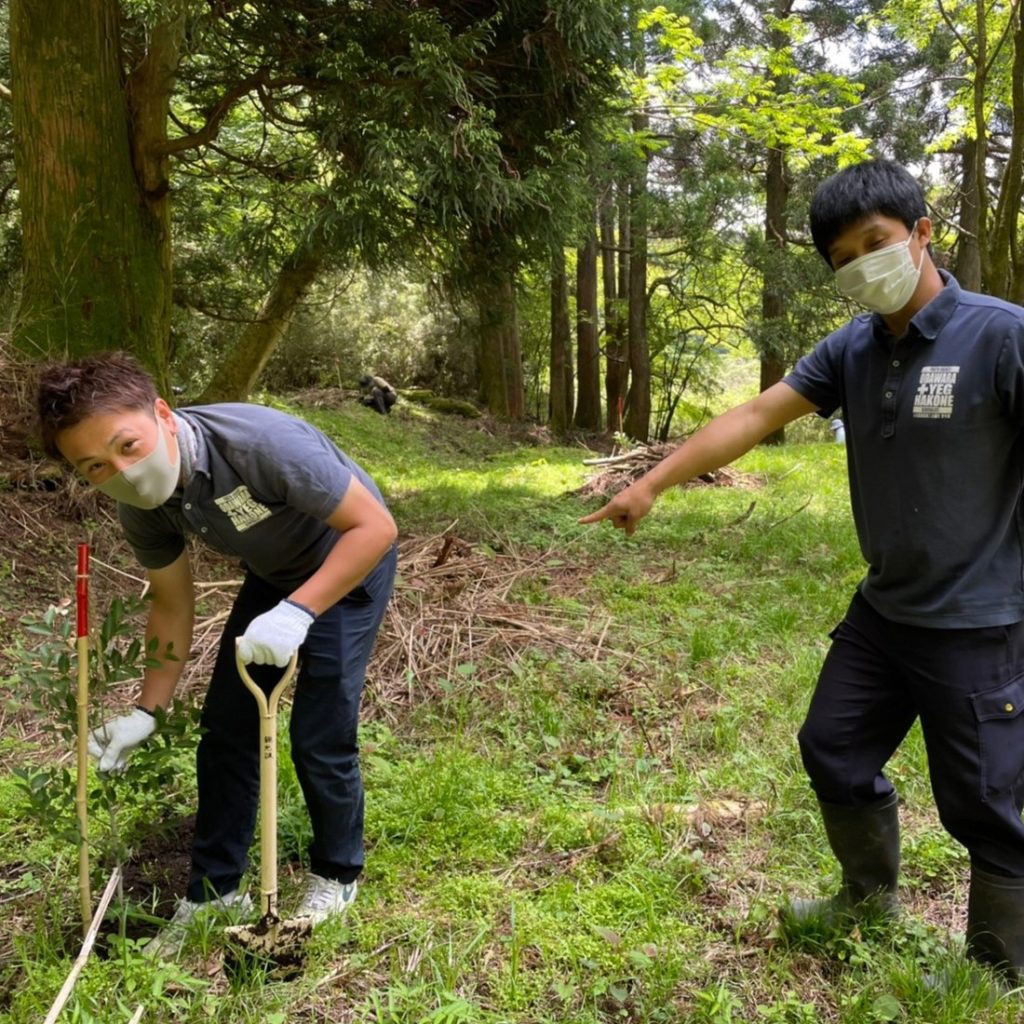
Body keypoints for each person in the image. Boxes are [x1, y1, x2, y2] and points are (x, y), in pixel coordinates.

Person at [581, 159, 1024, 984]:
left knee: (986, 804)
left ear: (923, 233)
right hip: (885, 612)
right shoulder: (853, 348)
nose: (863, 265)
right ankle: (866, 900)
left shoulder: (1001, 336)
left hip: (980, 620)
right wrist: (651, 483)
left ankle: (996, 968)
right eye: (843, 258)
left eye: (876, 242)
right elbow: (757, 413)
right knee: (833, 747)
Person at [37, 352, 398, 956]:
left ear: (162, 414)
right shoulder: (142, 507)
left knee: (320, 728)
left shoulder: (261, 445)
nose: (122, 471)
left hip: (348, 555)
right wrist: (147, 711)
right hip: (274, 573)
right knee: (227, 728)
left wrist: (299, 612)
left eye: (128, 445)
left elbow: (376, 528)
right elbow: (172, 604)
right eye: (95, 466)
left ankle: (337, 874)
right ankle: (215, 893)